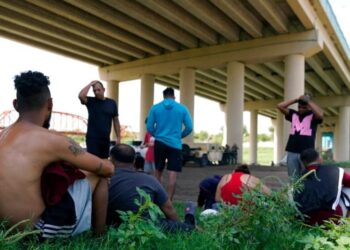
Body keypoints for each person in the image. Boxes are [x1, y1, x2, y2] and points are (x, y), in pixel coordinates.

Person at [0, 71, 114, 238]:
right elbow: (107, 169)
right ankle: (100, 236)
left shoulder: (3, 135)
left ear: (16, 104)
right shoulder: (51, 139)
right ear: (50, 104)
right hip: (35, 230)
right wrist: (106, 163)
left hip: (5, 227)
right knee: (100, 175)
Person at [107, 144, 195, 232]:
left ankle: (189, 217)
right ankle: (189, 217)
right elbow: (168, 208)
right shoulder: (149, 179)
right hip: (147, 227)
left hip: (113, 226)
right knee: (188, 227)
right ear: (134, 160)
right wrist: (179, 225)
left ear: (111, 159)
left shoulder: (105, 179)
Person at [146, 87, 193, 200]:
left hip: (160, 143)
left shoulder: (155, 108)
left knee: (158, 171)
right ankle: (169, 202)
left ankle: (156, 200)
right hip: (175, 144)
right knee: (172, 174)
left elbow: (149, 127)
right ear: (174, 96)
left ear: (163, 97)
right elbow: (189, 127)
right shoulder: (182, 108)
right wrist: (179, 136)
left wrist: (157, 135)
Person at [294, 148, 350, 225]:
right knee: (347, 188)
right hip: (331, 219)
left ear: (303, 163)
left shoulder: (298, 178)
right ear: (320, 159)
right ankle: (346, 222)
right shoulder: (335, 171)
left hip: (305, 221)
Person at [277, 94, 323, 178]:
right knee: (293, 177)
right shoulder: (293, 114)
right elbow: (280, 106)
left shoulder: (313, 116)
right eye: (299, 107)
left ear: (309, 107)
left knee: (307, 177)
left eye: (304, 107)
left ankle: (306, 191)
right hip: (292, 151)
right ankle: (294, 191)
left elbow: (320, 114)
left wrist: (308, 101)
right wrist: (296, 100)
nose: (301, 109)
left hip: (307, 152)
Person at [78, 80, 121, 158]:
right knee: (93, 163)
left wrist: (118, 137)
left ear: (104, 90)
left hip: (105, 139)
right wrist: (90, 84)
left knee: (104, 161)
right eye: (94, 91)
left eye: (98, 90)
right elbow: (81, 96)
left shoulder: (112, 103)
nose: (96, 92)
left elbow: (116, 120)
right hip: (92, 139)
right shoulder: (91, 101)